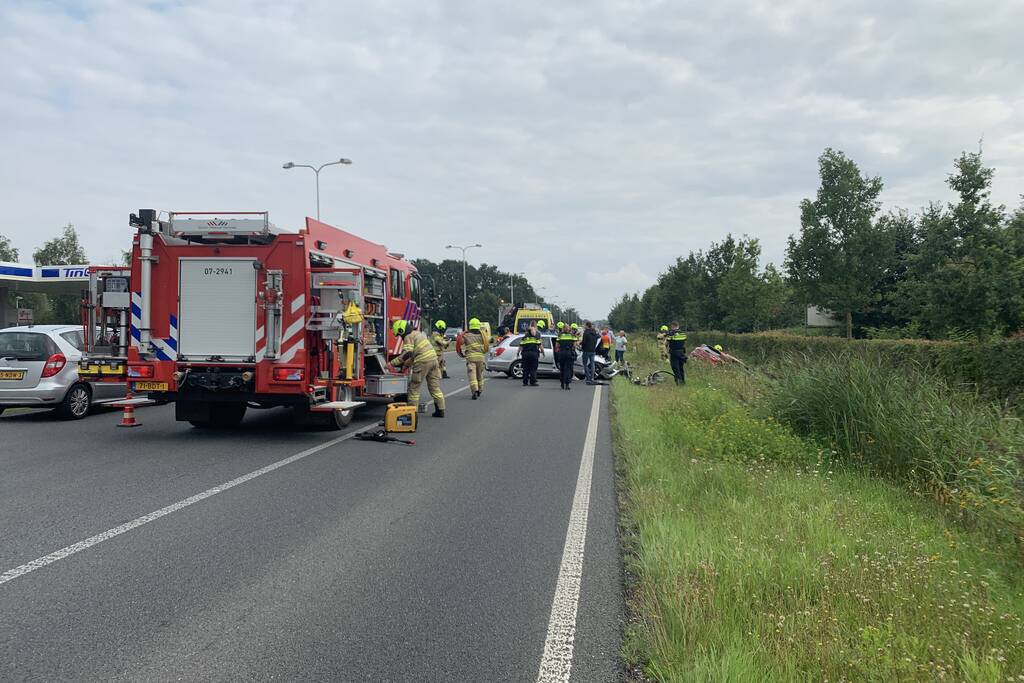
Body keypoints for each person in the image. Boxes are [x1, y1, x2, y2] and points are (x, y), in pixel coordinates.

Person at [390, 320, 445, 417]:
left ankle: (411, 414)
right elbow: (415, 354)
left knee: (414, 388)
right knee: (434, 387)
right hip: (434, 360)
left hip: (422, 362)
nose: (400, 337)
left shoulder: (408, 336)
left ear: (401, 330)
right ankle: (440, 410)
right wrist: (406, 365)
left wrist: (391, 364)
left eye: (399, 334)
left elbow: (407, 353)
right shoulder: (418, 334)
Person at [456, 317, 490, 399]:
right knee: (480, 375)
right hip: (481, 358)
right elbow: (488, 343)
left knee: (472, 375)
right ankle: (480, 390)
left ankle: (475, 390)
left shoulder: (466, 336)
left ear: (470, 326)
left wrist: (459, 336)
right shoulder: (483, 336)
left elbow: (460, 343)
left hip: (471, 359)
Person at [517, 322, 545, 386]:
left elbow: (520, 347)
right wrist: (543, 353)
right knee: (533, 368)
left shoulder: (524, 338)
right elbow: (541, 346)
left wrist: (518, 353)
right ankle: (533, 382)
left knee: (525, 368)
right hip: (534, 355)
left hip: (525, 355)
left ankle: (525, 382)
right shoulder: (536, 338)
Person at [554, 323, 578, 390]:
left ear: (563, 329)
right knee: (568, 369)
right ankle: (567, 385)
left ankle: (562, 383)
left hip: (561, 353)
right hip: (569, 353)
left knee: (562, 369)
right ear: (569, 329)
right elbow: (574, 346)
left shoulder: (560, 335)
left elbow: (556, 346)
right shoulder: (572, 336)